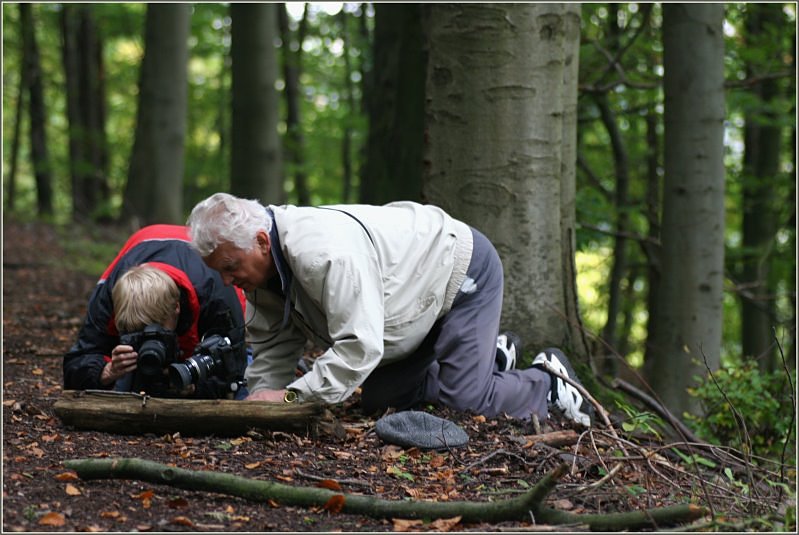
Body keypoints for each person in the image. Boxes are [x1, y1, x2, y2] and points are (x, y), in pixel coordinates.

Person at [187, 193, 593, 426]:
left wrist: (290, 400)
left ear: (261, 240)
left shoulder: (321, 255)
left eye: (229, 268)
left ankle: (547, 383)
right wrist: (257, 404)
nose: (227, 282)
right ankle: (488, 358)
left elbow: (358, 349)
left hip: (460, 271)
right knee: (381, 401)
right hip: (410, 305)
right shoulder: (261, 269)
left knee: (465, 402)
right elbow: (274, 345)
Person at [63, 224, 249, 399]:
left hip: (203, 280)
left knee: (246, 386)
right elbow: (77, 362)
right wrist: (106, 371)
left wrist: (195, 387)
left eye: (157, 330)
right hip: (144, 241)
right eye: (135, 332)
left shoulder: (218, 296)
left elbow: (232, 373)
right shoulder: (107, 297)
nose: (147, 339)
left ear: (177, 308)